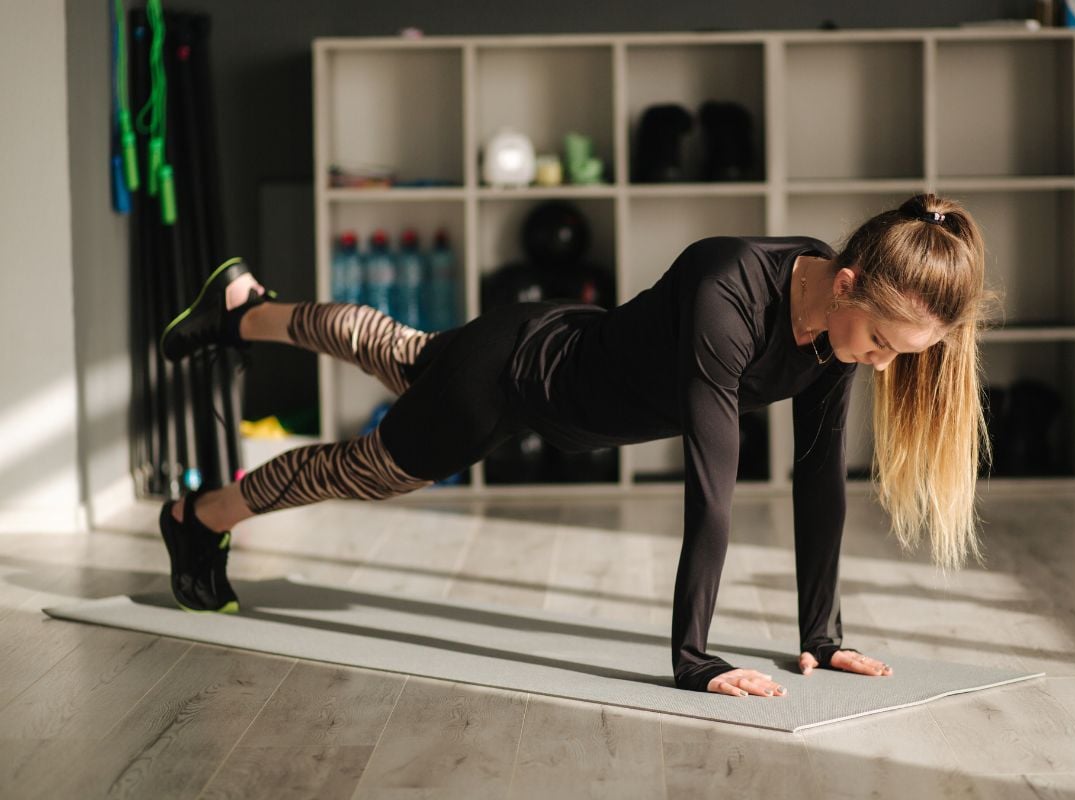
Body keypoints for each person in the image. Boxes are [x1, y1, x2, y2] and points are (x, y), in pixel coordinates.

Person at [157, 192, 993, 698]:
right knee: (372, 469)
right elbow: (713, 487)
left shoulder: (833, 330)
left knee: (405, 352)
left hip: (548, 346)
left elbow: (819, 478)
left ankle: (243, 307)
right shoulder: (728, 294)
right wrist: (695, 660)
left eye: (898, 353)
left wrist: (822, 633)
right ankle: (199, 517)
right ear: (848, 281)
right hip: (517, 381)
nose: (882, 363)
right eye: (883, 342)